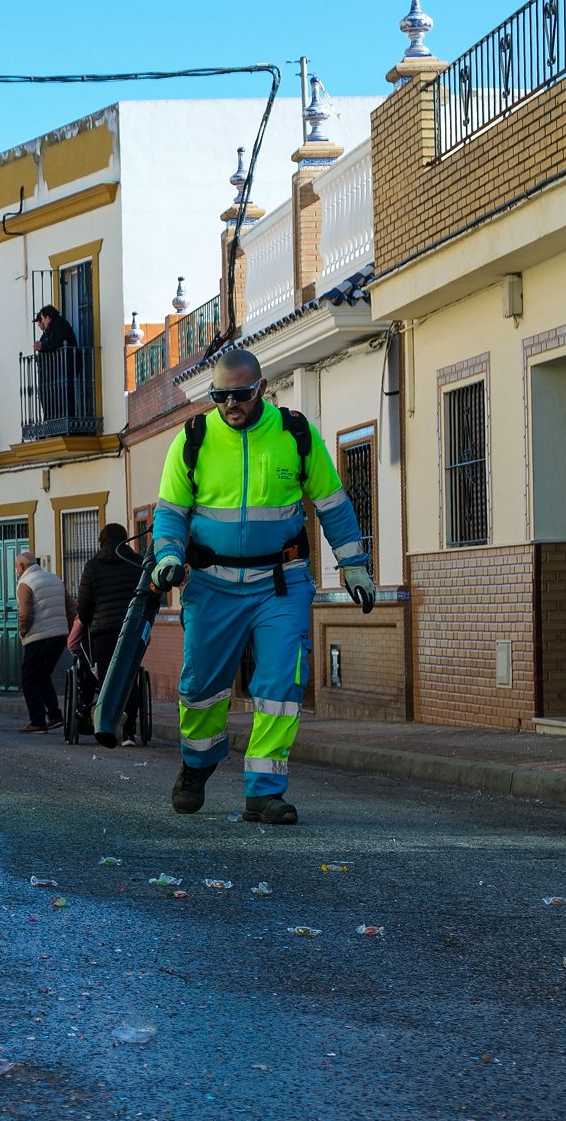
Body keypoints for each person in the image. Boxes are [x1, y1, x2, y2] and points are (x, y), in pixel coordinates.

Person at [152, 347, 376, 825]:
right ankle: (197, 765)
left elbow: (333, 504)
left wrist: (354, 565)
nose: (231, 405)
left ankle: (265, 791)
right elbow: (170, 513)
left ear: (263, 389)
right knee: (200, 688)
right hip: (211, 584)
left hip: (281, 582)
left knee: (279, 683)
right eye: (221, 396)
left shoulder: (295, 434)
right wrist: (169, 556)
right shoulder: (191, 439)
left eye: (242, 395)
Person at [69, 524, 144, 743]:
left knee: (107, 679)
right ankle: (129, 732)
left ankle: (106, 725)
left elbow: (83, 607)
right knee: (129, 677)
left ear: (101, 541)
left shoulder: (92, 566)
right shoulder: (137, 563)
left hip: (102, 633)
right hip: (131, 630)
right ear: (126, 540)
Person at [15, 549, 72, 734]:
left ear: (22, 566)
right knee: (43, 674)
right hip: (59, 636)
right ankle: (55, 715)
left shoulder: (25, 583)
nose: (16, 570)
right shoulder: (55, 578)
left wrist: (23, 632)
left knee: (29, 679)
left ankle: (37, 721)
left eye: (16, 566)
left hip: (38, 636)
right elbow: (71, 606)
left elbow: (25, 613)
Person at [34, 304, 79, 427]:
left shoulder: (60, 324)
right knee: (53, 394)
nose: (42, 321)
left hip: (67, 365)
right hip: (59, 368)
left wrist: (42, 346)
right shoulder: (52, 328)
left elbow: (56, 342)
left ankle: (67, 422)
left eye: (42, 318)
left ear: (48, 317)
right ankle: (53, 422)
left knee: (64, 393)